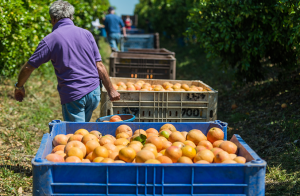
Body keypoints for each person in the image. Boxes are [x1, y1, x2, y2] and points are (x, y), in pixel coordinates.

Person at [14, 0, 120, 122]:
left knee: (78, 135)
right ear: (71, 16)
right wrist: (111, 90)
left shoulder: (50, 40)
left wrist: (19, 86)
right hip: (93, 92)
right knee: (84, 132)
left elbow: (28, 68)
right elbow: (99, 65)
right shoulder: (87, 34)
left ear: (53, 19)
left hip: (74, 94)